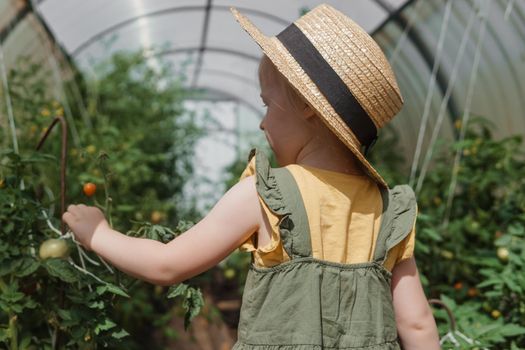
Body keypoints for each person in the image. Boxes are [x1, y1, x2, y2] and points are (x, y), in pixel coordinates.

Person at [63, 4, 441, 349]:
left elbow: (167, 264)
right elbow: (418, 324)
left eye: (267, 104)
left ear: (308, 107)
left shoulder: (266, 195)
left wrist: (99, 233)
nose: (262, 122)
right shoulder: (388, 211)